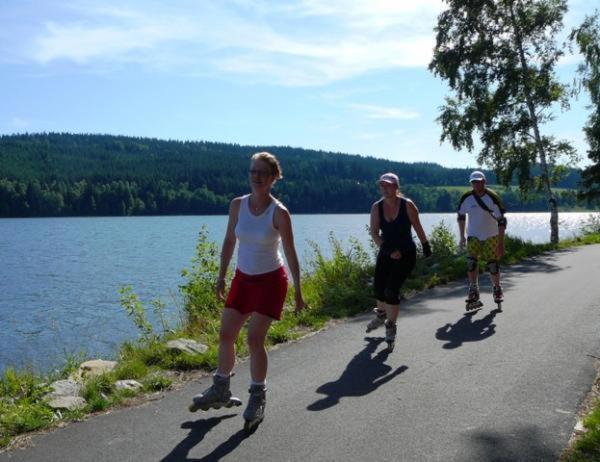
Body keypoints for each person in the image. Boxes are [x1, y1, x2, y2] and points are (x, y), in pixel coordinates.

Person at [190, 152, 306, 432]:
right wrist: (221, 277)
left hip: (270, 281)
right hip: (243, 278)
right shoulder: (237, 205)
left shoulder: (279, 212)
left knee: (255, 339)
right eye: (253, 171)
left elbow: (290, 251)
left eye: (263, 173)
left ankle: (257, 396)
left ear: (273, 178)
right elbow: (230, 240)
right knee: (226, 334)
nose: (256, 176)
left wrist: (299, 291)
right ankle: (221, 387)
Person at [366, 172, 431, 351]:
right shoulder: (376, 208)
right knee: (378, 289)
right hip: (387, 252)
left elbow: (418, 226)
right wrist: (387, 250)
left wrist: (425, 245)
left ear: (396, 187)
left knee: (391, 290)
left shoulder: (407, 205)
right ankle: (381, 315)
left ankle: (390, 325)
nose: (385, 189)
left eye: (389, 185)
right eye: (382, 186)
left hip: (406, 254)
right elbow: (374, 233)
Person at [457, 170, 507, 310]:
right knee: (471, 262)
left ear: (484, 182)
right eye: (474, 182)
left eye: (479, 181)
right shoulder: (466, 198)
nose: (476, 184)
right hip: (473, 235)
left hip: (491, 235)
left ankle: (497, 288)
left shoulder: (492, 197)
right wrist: (462, 236)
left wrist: (501, 244)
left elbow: (502, 221)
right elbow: (461, 216)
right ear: (471, 183)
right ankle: (473, 289)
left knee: (492, 264)